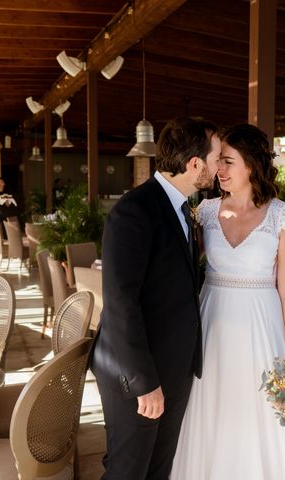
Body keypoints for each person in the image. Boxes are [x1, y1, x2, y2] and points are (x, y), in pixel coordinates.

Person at [171, 124, 285, 479]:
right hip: (212, 327)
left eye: (228, 161)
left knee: (261, 415)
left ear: (250, 165)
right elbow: (184, 272)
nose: (218, 169)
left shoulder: (284, 216)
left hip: (261, 332)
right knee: (211, 410)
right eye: (218, 161)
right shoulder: (204, 212)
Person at [90, 117, 221, 480]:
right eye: (215, 159)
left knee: (159, 469)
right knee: (128, 470)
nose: (218, 167)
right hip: (135, 373)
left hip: (174, 368)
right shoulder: (135, 210)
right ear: (195, 164)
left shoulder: (182, 209)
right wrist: (143, 382)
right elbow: (120, 304)